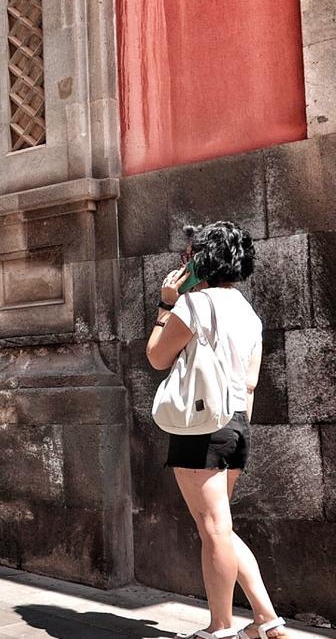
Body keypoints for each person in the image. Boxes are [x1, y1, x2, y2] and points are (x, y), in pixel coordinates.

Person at [146, 222, 288, 639]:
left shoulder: (194, 305)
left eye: (188, 257)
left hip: (201, 426)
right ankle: (266, 619)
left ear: (202, 260)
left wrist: (165, 305)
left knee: (212, 529)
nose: (183, 264)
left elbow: (156, 356)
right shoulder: (248, 312)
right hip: (237, 424)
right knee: (220, 525)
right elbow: (250, 382)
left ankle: (220, 628)